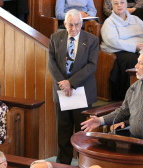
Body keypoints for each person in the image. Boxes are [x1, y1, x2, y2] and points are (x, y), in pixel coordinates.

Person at [48, 9, 98, 164]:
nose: (74, 28)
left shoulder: (91, 40)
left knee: (82, 130)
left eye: (77, 24)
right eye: (70, 25)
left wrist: (71, 82)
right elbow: (52, 63)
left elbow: (91, 65)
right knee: (62, 130)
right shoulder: (55, 38)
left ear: (81, 24)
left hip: (81, 91)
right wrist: (63, 84)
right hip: (62, 92)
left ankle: (84, 162)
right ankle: (63, 162)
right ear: (64, 24)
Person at [101, 0, 143, 101]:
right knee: (133, 60)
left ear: (126, 5)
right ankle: (131, 95)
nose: (119, 5)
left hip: (141, 48)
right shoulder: (109, 22)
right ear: (112, 6)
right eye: (116, 3)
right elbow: (112, 41)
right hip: (120, 51)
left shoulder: (136, 19)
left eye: (122, 2)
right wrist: (135, 46)